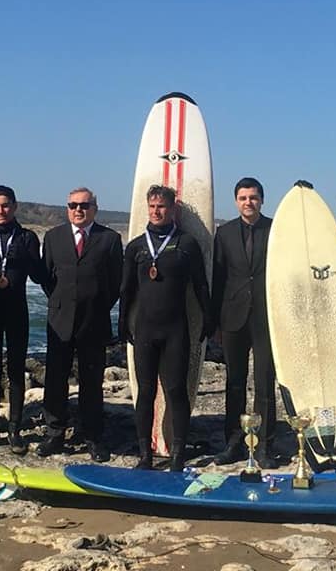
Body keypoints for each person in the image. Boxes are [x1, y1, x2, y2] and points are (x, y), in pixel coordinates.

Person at [119, 185, 212, 471]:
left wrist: (208, 318)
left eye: (161, 206)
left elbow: (200, 285)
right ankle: (144, 454)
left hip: (175, 331)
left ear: (173, 210)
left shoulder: (187, 243)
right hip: (145, 330)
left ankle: (178, 454)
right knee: (145, 392)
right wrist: (122, 322)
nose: (156, 211)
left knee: (175, 391)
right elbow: (127, 289)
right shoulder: (136, 246)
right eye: (152, 206)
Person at [36, 187, 123, 463]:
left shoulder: (110, 239)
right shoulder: (53, 237)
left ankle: (93, 437)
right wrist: (62, 303)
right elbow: (47, 278)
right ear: (67, 208)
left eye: (84, 205)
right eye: (73, 205)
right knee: (55, 379)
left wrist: (95, 304)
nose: (78, 210)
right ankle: (55, 433)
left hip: (93, 321)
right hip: (60, 321)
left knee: (92, 382)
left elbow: (115, 283)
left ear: (94, 208)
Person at [0, 185, 46, 454]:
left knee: (15, 370)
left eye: (5, 206)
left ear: (14, 206)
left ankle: (14, 428)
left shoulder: (27, 237)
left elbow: (39, 275)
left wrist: (29, 258)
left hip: (17, 311)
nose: (0, 211)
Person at [212, 177, 277, 468]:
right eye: (243, 198)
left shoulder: (275, 229)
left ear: (261, 200)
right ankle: (233, 442)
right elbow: (218, 278)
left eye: (253, 197)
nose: (248, 202)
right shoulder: (224, 233)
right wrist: (215, 323)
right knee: (235, 383)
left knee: (265, 383)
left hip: (266, 317)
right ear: (236, 201)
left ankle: (264, 446)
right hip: (233, 316)